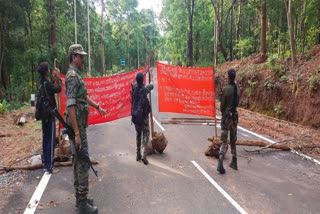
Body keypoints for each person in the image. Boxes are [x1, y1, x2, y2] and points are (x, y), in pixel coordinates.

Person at [65, 44, 106, 214]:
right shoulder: (73, 76)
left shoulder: (77, 76)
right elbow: (71, 106)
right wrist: (76, 133)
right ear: (74, 57)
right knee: (82, 163)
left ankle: (81, 199)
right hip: (77, 128)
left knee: (79, 162)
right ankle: (82, 205)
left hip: (80, 126)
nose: (83, 59)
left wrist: (97, 106)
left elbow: (82, 97)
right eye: (81, 56)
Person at [37, 62, 61, 174]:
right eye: (49, 69)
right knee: (51, 141)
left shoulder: (42, 83)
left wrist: (54, 78)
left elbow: (50, 88)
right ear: (46, 72)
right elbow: (58, 89)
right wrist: (59, 78)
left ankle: (46, 164)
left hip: (43, 115)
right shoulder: (46, 84)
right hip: (50, 115)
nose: (50, 70)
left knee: (46, 139)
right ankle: (50, 166)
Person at [217, 68, 239, 174]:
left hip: (226, 118)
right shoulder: (236, 89)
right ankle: (234, 161)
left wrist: (224, 111)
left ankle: (220, 161)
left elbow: (222, 106)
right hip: (234, 117)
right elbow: (237, 103)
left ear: (228, 77)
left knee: (224, 140)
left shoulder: (226, 89)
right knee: (233, 140)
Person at [131, 69, 154, 165]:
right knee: (146, 135)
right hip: (143, 117)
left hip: (135, 116)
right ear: (143, 80)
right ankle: (144, 155)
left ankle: (138, 155)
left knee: (138, 135)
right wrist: (151, 74)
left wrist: (145, 72)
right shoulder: (145, 89)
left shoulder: (134, 87)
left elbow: (135, 80)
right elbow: (152, 84)